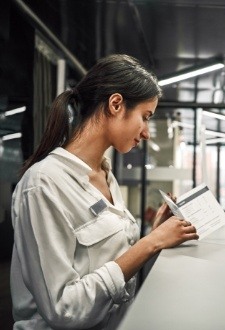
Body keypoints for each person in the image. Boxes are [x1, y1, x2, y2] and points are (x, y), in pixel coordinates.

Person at [10, 54, 199, 329]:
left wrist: (155, 235)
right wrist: (151, 242)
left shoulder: (105, 176)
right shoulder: (43, 184)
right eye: (145, 117)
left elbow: (111, 267)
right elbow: (63, 309)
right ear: (116, 104)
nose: (146, 132)